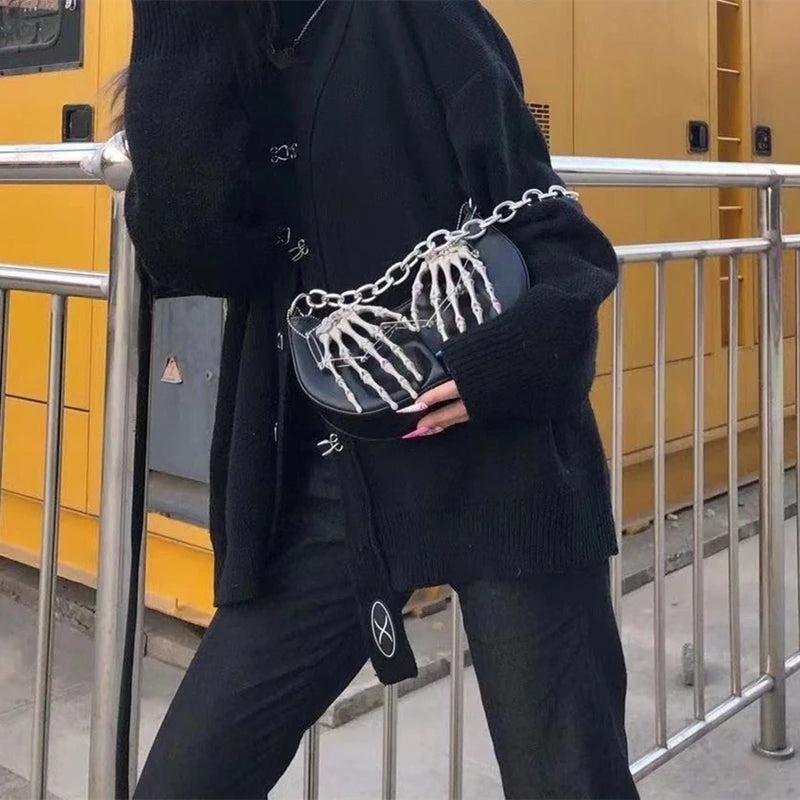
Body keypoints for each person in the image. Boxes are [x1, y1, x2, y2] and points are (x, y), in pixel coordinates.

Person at [122, 2, 638, 798]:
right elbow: (192, 253)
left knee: (568, 781)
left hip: (500, 465)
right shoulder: (228, 45)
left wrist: (499, 366)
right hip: (332, 491)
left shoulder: (414, 14)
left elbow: (562, 242)